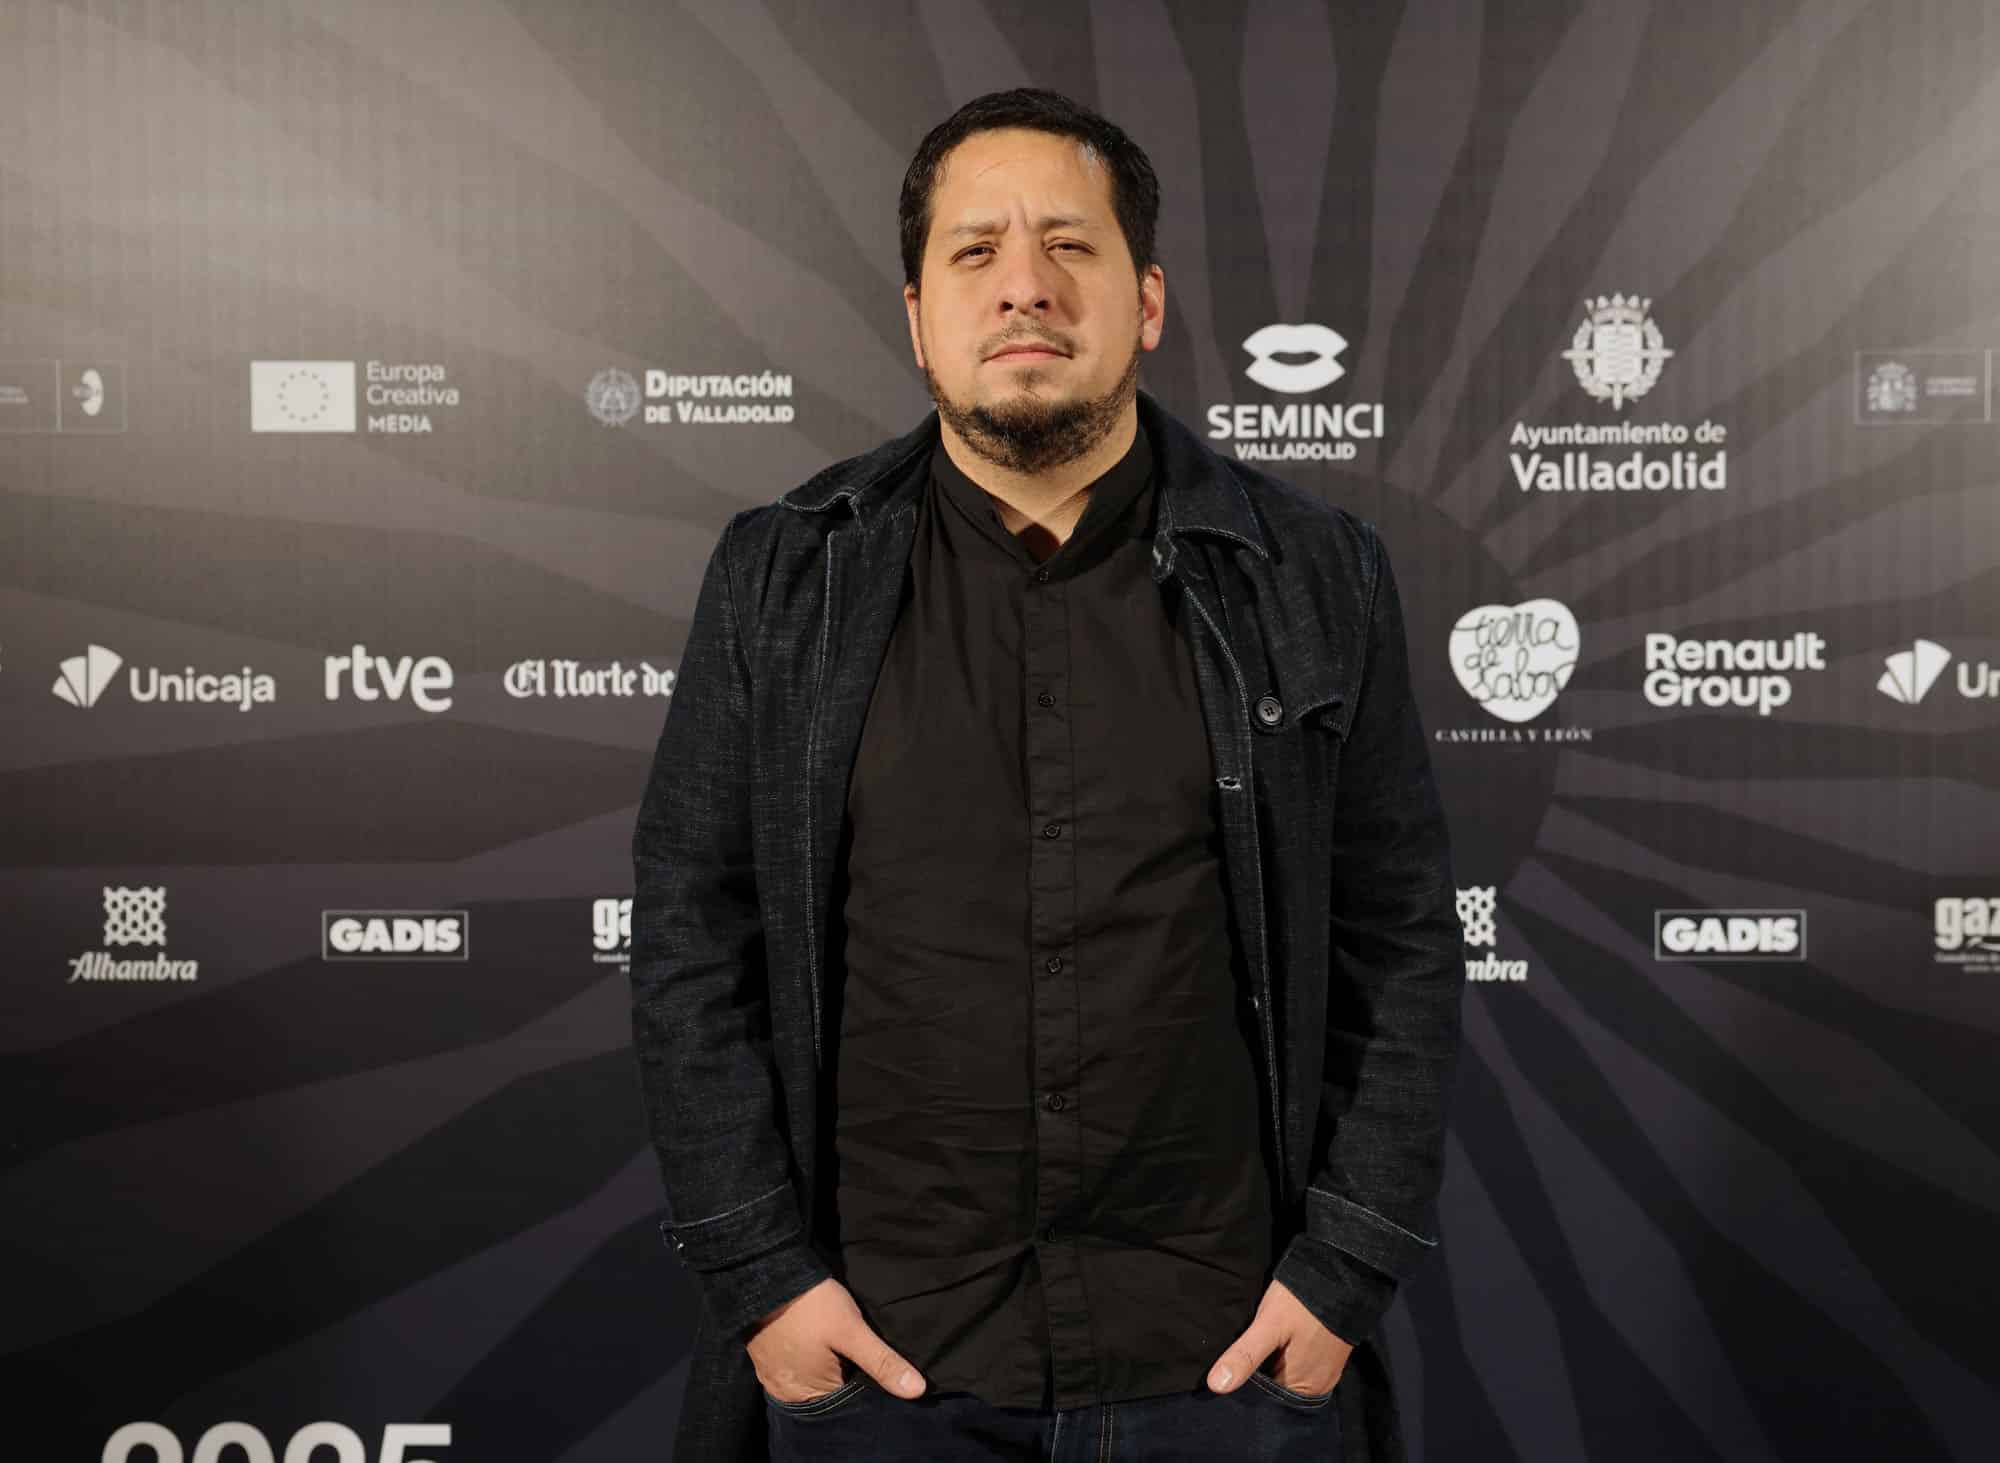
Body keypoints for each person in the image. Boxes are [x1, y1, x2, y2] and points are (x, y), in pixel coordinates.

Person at [630, 87, 1464, 1463]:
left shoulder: (1318, 575)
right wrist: (763, 1280)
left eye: (1070, 245)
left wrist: (1347, 1268)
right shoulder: (783, 577)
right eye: (977, 251)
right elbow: (689, 935)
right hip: (878, 1379)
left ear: (1148, 302)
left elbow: (1403, 936)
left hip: (1228, 1376)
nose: (1024, 284)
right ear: (918, 318)